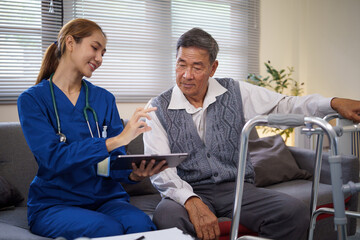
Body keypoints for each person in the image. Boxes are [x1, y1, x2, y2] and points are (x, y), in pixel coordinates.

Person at [143, 27, 360, 240]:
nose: (187, 75)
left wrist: (333, 103)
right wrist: (190, 200)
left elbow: (285, 105)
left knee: (293, 212)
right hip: (187, 188)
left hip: (236, 188)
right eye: (181, 65)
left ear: (213, 68)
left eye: (197, 67)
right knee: (166, 215)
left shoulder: (236, 91)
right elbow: (159, 169)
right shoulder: (157, 107)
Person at [17, 18, 167, 240]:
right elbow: (53, 159)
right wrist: (115, 140)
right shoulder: (32, 100)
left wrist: (135, 174)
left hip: (106, 199)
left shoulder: (103, 99)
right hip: (55, 204)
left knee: (142, 225)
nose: (99, 59)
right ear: (70, 42)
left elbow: (113, 164)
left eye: (103, 53)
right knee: (106, 229)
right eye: (95, 48)